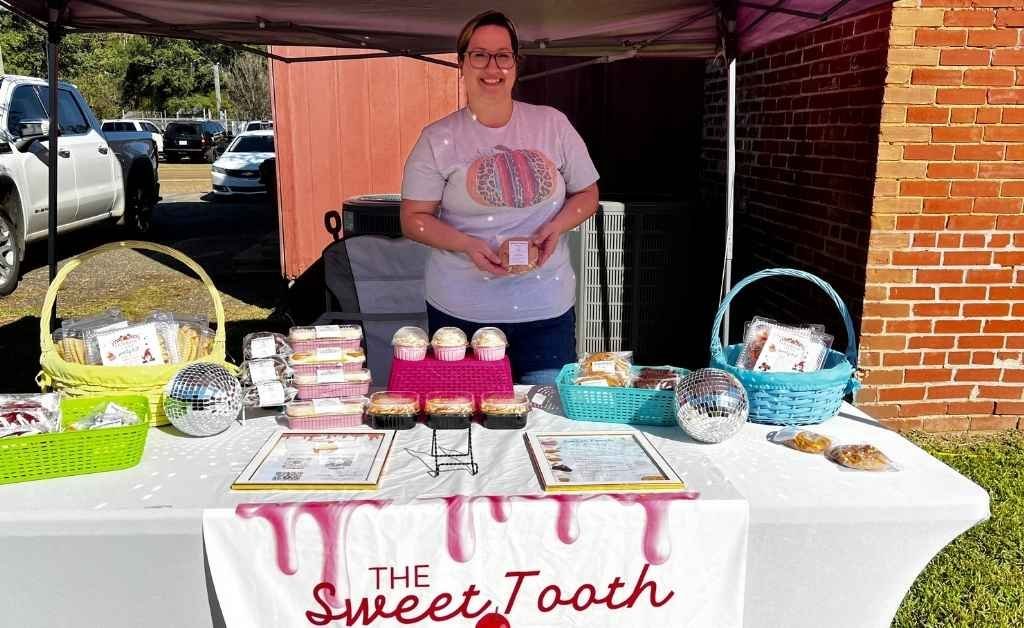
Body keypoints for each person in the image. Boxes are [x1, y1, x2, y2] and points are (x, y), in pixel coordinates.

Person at [400, 10, 600, 385]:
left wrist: (556, 227)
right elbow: (414, 217)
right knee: (462, 419)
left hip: (545, 308)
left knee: (543, 414)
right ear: (461, 63)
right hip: (461, 310)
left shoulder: (551, 124)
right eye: (479, 54)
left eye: (502, 55)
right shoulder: (438, 138)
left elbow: (588, 192)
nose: (492, 67)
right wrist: (467, 244)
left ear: (515, 64)